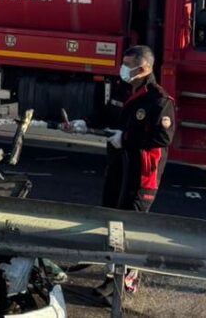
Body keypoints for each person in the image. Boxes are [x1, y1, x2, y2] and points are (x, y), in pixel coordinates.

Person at [69, 44, 175, 298]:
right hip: (118, 168)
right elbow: (108, 114)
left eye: (128, 65)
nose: (123, 70)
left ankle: (125, 284)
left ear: (144, 68)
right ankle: (110, 277)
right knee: (111, 221)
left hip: (140, 174)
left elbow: (163, 137)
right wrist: (85, 123)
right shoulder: (124, 91)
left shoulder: (159, 100)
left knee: (130, 228)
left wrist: (126, 139)